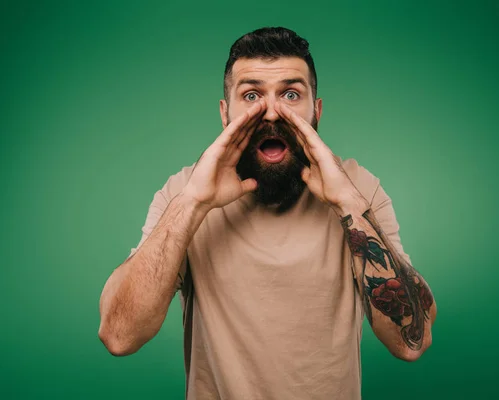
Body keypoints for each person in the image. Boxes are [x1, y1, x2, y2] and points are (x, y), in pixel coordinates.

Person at [98, 27, 437, 400]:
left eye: (291, 94)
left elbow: (411, 342)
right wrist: (193, 202)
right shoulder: (185, 192)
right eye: (252, 95)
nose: (272, 112)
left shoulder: (359, 188)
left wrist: (349, 205)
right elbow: (118, 335)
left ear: (317, 111)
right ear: (225, 113)